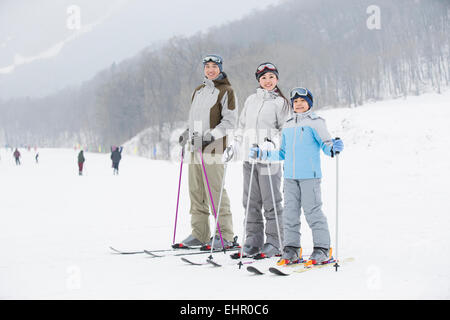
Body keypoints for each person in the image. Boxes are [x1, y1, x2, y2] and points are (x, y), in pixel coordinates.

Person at [250, 87, 344, 265]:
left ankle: (322, 249)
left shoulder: (316, 122)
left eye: (302, 101)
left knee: (312, 211)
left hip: (310, 176)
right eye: (295, 102)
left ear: (309, 103)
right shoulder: (288, 124)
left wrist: (333, 148)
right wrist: (262, 154)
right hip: (290, 177)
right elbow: (283, 153)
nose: (299, 104)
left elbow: (326, 145)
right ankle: (292, 249)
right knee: (290, 215)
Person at [230, 62, 291, 259]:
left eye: (271, 77)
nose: (267, 81)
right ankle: (252, 241)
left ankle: (275, 241)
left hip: (269, 160)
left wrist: (271, 146)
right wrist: (236, 144)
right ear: (259, 80)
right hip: (250, 159)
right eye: (264, 77)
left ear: (277, 79)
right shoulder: (251, 100)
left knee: (271, 201)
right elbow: (241, 126)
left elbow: (285, 131)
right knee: (250, 201)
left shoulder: (281, 103)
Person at [177, 54, 238, 249]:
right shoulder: (199, 91)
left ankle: (225, 235)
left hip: (212, 148)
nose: (211, 70)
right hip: (194, 147)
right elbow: (193, 118)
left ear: (220, 68)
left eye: (214, 66)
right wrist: (187, 133)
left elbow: (229, 121)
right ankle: (200, 233)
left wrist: (211, 136)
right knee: (196, 191)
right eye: (207, 66)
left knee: (215, 191)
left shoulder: (226, 91)